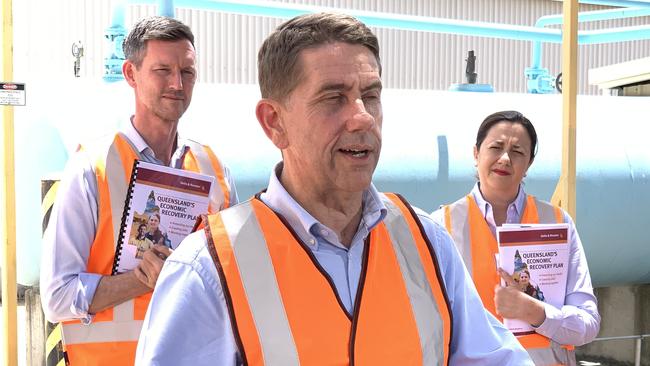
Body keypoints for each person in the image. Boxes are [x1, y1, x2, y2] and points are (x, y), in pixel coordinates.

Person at [136, 13, 532, 365]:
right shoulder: (208, 270)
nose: (362, 117)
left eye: (370, 96)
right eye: (333, 98)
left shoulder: (427, 244)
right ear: (274, 121)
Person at [40, 16, 238, 365]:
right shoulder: (91, 170)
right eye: (163, 70)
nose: (177, 83)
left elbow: (232, 280)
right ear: (131, 74)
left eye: (187, 72)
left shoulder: (214, 169)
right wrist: (138, 280)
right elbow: (57, 297)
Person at [432, 110, 600, 365]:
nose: (505, 158)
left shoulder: (557, 222)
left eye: (517, 151)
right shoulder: (440, 226)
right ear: (476, 154)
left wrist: (536, 312)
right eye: (496, 147)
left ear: (529, 164)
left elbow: (587, 324)